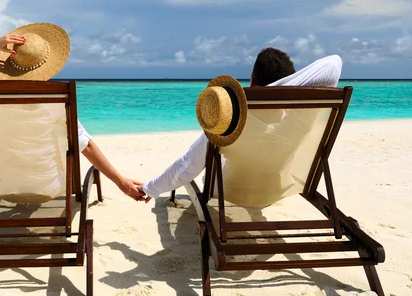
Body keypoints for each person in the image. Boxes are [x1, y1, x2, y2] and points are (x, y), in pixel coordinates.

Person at [0, 24, 145, 201]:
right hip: (48, 188)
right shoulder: (57, 101)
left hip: (5, 185)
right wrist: (121, 181)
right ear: (47, 65)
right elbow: (85, 146)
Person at [138, 48, 343, 201]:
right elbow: (334, 64)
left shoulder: (229, 122)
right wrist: (280, 94)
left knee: (206, 157)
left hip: (228, 194)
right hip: (272, 191)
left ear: (252, 79)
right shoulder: (297, 121)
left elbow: (188, 166)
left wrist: (150, 188)